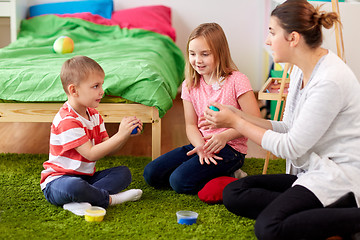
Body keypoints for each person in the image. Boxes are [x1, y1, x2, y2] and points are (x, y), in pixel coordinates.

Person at [203, 1, 360, 239]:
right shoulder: (300, 69)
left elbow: (291, 146)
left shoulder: (329, 81)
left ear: (293, 38)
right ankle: (320, 214)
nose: (267, 40)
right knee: (234, 191)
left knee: (268, 228)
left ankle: (346, 213)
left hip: (339, 177)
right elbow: (287, 127)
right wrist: (235, 114)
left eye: (272, 32)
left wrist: (237, 124)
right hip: (312, 172)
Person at [143, 23, 261, 194]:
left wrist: (224, 136)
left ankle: (231, 174)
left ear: (220, 53)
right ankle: (212, 170)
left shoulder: (237, 80)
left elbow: (255, 120)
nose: (197, 60)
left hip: (230, 148)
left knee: (179, 182)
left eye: (204, 54)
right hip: (202, 144)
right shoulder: (189, 85)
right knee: (151, 174)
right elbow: (191, 125)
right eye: (192, 54)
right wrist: (199, 147)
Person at [40, 55, 143, 210]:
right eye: (95, 86)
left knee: (124, 173)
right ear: (74, 90)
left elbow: (108, 148)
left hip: (87, 179)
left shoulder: (94, 115)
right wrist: (120, 134)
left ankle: (81, 201)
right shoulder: (67, 120)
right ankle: (109, 200)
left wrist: (125, 135)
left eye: (101, 85)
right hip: (59, 182)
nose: (102, 91)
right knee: (74, 186)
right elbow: (91, 154)